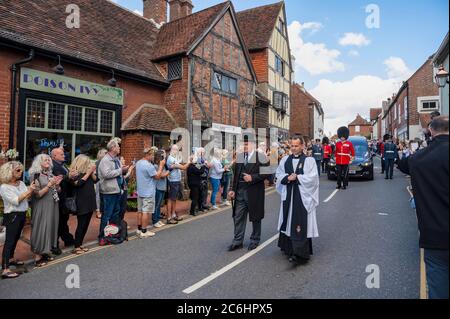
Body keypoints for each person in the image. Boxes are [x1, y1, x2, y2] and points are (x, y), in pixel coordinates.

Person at [398, 116, 449, 299]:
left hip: (434, 235)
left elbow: (403, 164)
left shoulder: (420, 157)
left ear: (431, 131)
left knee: (438, 288)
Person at [276, 136, 319, 265]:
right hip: (288, 195)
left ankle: (300, 253)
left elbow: (313, 178)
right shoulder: (285, 160)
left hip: (302, 196)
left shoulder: (309, 161)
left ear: (302, 146)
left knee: (300, 222)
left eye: (296, 146)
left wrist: (298, 178)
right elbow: (278, 175)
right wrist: (288, 178)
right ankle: (289, 249)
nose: (294, 148)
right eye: (292, 146)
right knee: (288, 220)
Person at [228, 134, 268, 251]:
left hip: (254, 192)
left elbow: (267, 173)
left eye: (246, 144)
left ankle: (255, 239)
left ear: (253, 145)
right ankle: (237, 241)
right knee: (238, 217)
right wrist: (232, 189)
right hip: (240, 192)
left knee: (255, 217)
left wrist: (253, 177)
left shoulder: (261, 157)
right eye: (243, 144)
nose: (244, 146)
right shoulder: (240, 157)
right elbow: (235, 176)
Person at [0, 161, 36, 279]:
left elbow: (27, 196)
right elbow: (16, 200)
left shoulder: (20, 183)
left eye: (21, 170)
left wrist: (31, 190)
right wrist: (29, 191)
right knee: (9, 241)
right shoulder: (4, 187)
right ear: (9, 172)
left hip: (21, 214)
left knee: (15, 239)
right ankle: (5, 269)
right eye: (18, 170)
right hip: (12, 215)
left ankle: (10, 259)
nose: (21, 172)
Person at [29, 154, 63, 267]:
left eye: (49, 159)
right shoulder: (35, 175)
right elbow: (37, 194)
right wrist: (49, 185)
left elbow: (57, 190)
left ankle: (45, 251)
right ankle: (37, 255)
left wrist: (57, 185)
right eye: (45, 159)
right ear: (39, 162)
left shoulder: (50, 173)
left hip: (52, 204)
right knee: (41, 227)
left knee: (50, 227)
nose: (48, 160)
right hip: (41, 205)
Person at [97, 139, 129, 245]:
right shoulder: (105, 160)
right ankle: (102, 236)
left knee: (115, 214)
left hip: (117, 190)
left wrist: (123, 170)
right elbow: (106, 174)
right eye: (118, 146)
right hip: (108, 192)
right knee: (107, 215)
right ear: (112, 148)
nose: (119, 148)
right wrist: (121, 170)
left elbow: (118, 174)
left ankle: (112, 234)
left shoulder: (116, 159)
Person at [135, 147, 166, 238]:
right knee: (146, 211)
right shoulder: (149, 166)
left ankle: (139, 229)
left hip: (140, 191)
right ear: (148, 155)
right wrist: (161, 166)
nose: (153, 157)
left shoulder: (138, 163)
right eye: (152, 155)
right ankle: (144, 231)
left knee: (140, 211)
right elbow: (157, 176)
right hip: (148, 192)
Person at [51, 147, 76, 255]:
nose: (64, 155)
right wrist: (68, 176)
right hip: (59, 197)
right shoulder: (53, 165)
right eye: (61, 154)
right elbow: (57, 178)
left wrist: (72, 175)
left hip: (65, 196)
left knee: (63, 220)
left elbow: (66, 176)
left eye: (63, 153)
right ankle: (54, 244)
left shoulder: (63, 165)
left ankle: (68, 239)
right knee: (58, 221)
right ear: (54, 156)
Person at [70, 155, 97, 255]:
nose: (89, 164)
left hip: (89, 201)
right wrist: (89, 172)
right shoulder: (74, 173)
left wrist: (92, 172)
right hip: (81, 202)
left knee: (86, 224)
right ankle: (76, 246)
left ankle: (80, 244)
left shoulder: (88, 173)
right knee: (81, 225)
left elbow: (96, 180)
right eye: (87, 162)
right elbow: (78, 183)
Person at [166, 144, 190, 224]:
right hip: (173, 181)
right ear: (172, 150)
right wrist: (189, 161)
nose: (177, 151)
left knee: (174, 199)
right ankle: (169, 217)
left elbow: (180, 164)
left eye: (177, 150)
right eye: (175, 150)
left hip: (176, 180)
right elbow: (183, 167)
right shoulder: (170, 159)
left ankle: (173, 215)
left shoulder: (174, 158)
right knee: (170, 199)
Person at [187, 149, 206, 216]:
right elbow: (201, 171)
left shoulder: (193, 165)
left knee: (196, 197)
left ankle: (197, 208)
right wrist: (203, 165)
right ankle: (192, 211)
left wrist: (202, 165)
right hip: (194, 184)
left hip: (194, 183)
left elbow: (200, 168)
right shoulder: (192, 167)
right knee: (195, 198)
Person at [153, 150, 170, 227]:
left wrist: (167, 171)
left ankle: (157, 219)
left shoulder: (162, 165)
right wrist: (168, 171)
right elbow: (161, 175)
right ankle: (155, 221)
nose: (165, 157)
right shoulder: (156, 166)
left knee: (159, 205)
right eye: (163, 156)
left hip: (162, 187)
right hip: (158, 187)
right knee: (156, 205)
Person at [119, 156, 135, 222]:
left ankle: (121, 222)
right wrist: (130, 170)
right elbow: (123, 178)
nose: (124, 160)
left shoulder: (124, 168)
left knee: (123, 207)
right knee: (120, 208)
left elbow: (129, 177)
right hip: (120, 190)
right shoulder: (120, 168)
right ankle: (119, 222)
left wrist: (131, 170)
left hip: (125, 189)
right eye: (122, 159)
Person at [95, 149, 107, 220]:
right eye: (105, 153)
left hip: (102, 181)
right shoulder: (98, 162)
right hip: (98, 181)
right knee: (98, 196)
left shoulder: (103, 162)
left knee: (100, 196)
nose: (106, 154)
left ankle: (100, 210)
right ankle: (98, 211)